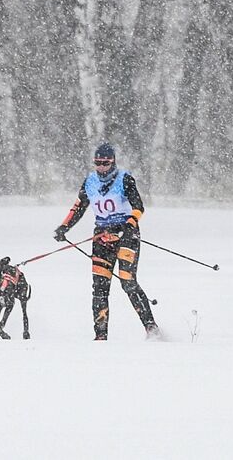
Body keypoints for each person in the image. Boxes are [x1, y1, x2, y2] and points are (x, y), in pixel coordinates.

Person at [54, 142, 160, 340]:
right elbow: (78, 208)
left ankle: (151, 328)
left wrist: (130, 222)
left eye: (105, 163)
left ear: (113, 162)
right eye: (98, 163)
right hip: (102, 237)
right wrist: (63, 228)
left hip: (126, 235)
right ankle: (100, 336)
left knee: (127, 282)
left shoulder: (125, 179)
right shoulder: (89, 182)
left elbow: (139, 206)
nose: (101, 167)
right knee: (100, 287)